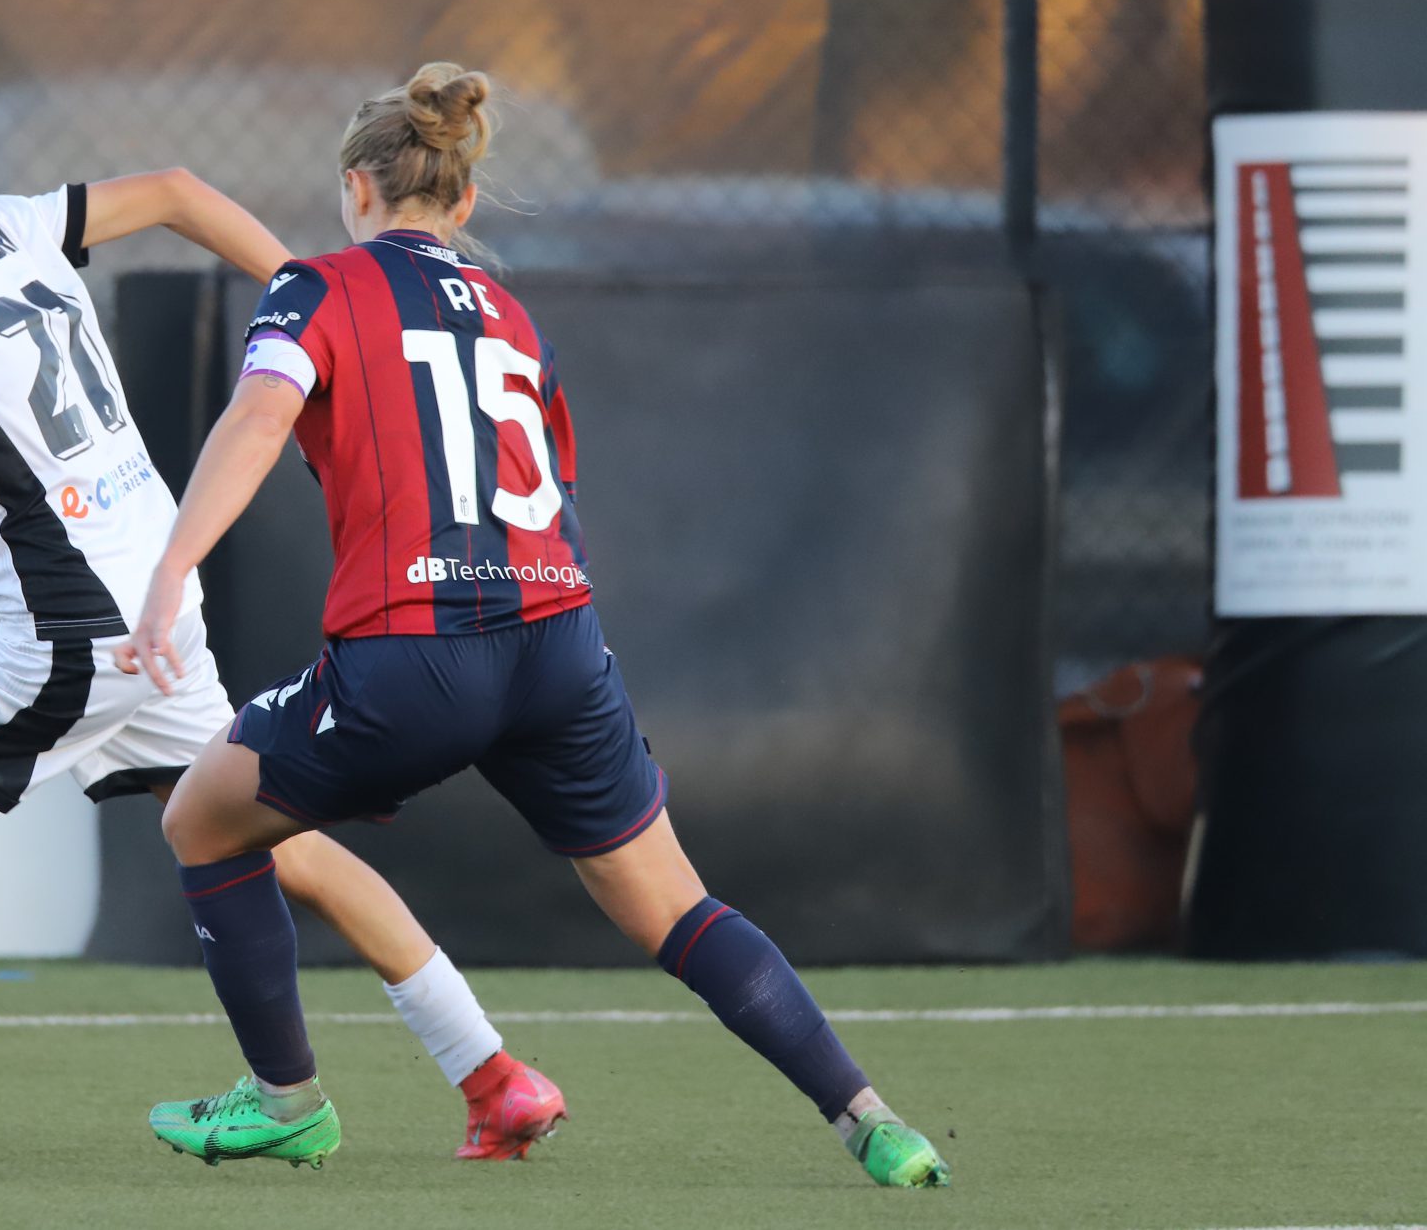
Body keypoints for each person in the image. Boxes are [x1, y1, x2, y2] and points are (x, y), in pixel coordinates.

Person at [0, 53, 565, 1160]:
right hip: (157, 603)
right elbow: (181, 193)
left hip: (65, 635)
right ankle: (491, 1074)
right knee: (279, 841)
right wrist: (320, 304)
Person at [116, 63, 953, 1187]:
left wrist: (173, 567)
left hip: (414, 651)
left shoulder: (313, 285)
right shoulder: (511, 313)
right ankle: (871, 1120)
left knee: (202, 820)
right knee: (676, 906)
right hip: (558, 641)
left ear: (355, 188)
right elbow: (554, 485)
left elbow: (261, 416)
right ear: (463, 199)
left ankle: (285, 1102)